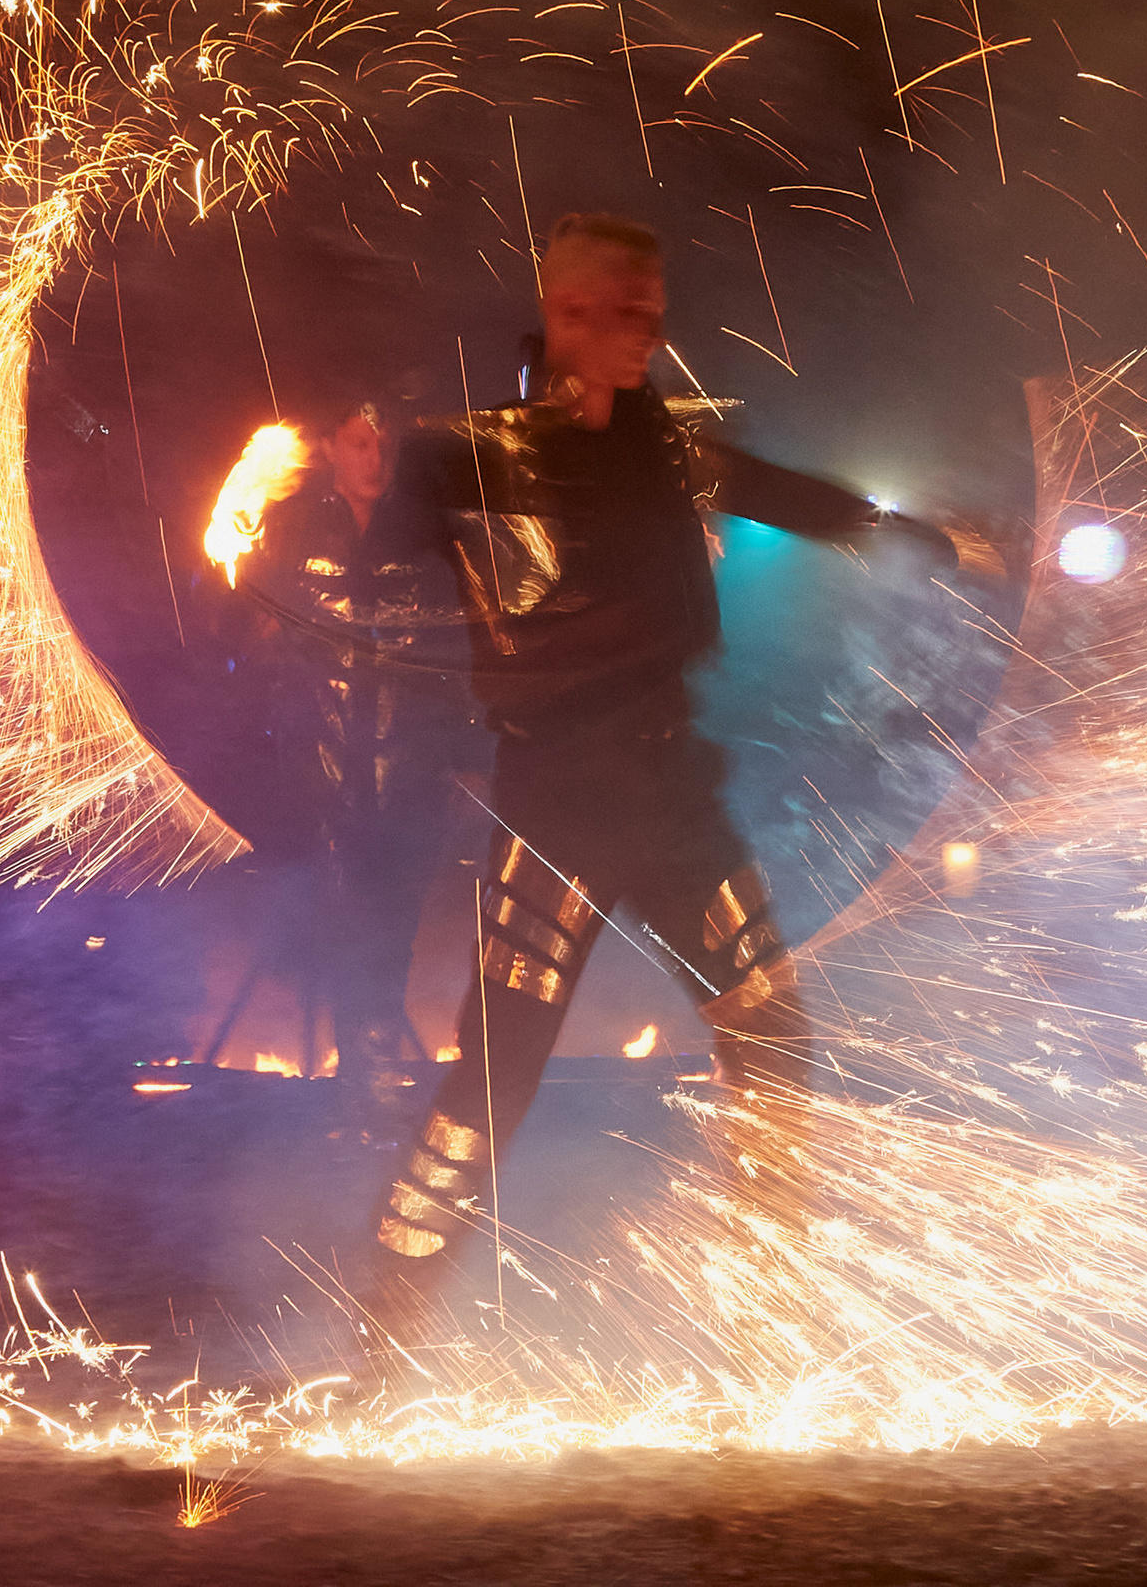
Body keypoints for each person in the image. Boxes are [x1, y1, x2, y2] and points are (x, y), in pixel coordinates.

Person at [370, 211, 955, 1292]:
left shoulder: (668, 447)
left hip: (673, 790)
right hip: (555, 799)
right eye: (629, 317)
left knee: (771, 1034)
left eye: (655, 316)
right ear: (568, 315)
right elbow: (371, 554)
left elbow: (787, 495)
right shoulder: (468, 456)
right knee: (495, 1077)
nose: (648, 336)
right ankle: (390, 1303)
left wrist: (929, 533)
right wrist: (352, 487)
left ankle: (774, 1297)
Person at [233, 393, 476, 1136]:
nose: (374, 459)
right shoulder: (295, 525)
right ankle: (360, 1083)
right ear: (332, 449)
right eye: (358, 443)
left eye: (383, 445)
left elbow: (451, 645)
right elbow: (263, 638)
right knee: (344, 922)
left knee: (394, 924)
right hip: (326, 769)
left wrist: (451, 745)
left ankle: (373, 1078)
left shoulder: (425, 531)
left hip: (410, 766)